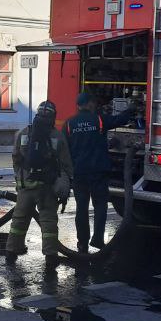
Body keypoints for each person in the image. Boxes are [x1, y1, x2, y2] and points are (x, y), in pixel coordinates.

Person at [64, 92, 136, 253]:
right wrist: (131, 109)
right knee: (100, 206)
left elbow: (64, 149)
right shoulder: (99, 119)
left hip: (79, 173)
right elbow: (120, 120)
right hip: (98, 171)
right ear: (89, 104)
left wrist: (67, 172)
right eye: (93, 103)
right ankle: (97, 239)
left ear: (78, 105)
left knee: (81, 208)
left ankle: (82, 243)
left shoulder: (69, 124)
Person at [8, 100, 73, 268]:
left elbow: (16, 158)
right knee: (48, 222)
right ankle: (51, 255)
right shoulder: (57, 136)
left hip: (26, 186)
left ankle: (11, 251)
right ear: (53, 116)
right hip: (46, 187)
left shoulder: (23, 133)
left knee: (19, 220)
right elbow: (66, 163)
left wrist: (19, 178)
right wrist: (66, 184)